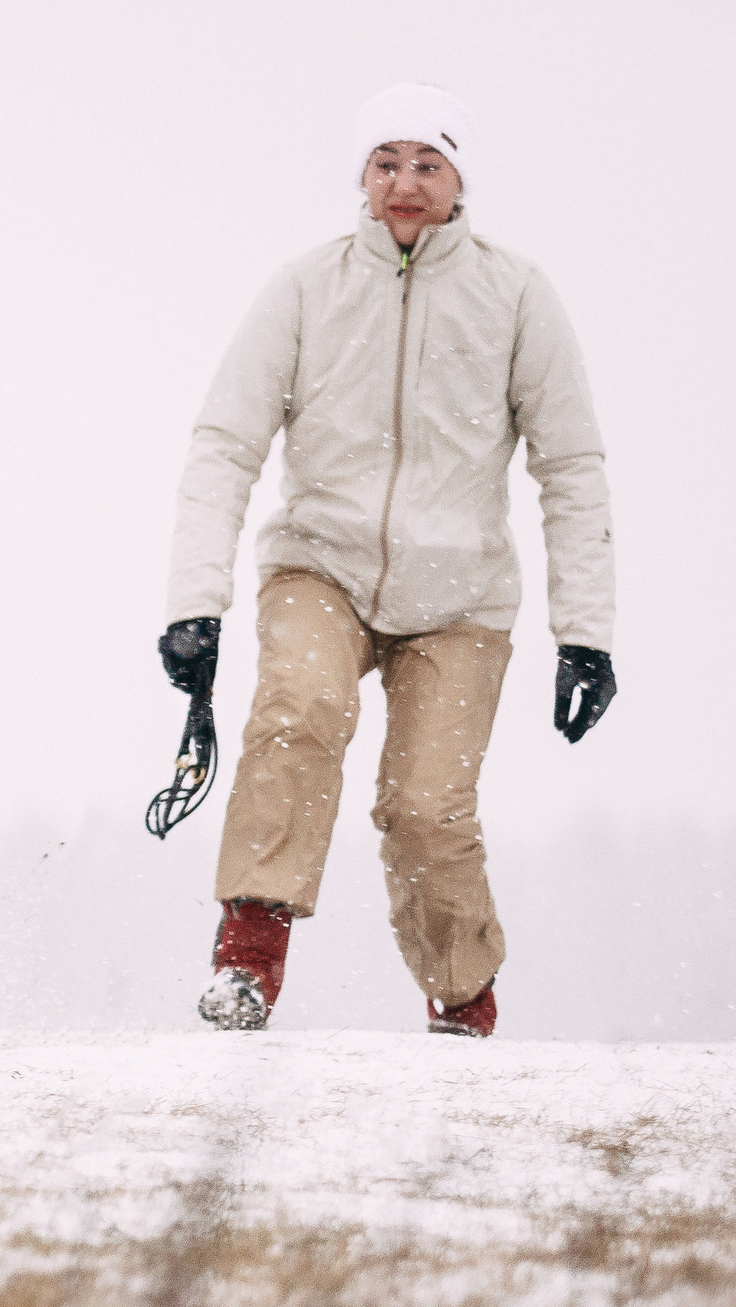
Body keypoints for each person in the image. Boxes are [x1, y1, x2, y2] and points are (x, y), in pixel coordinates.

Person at [160, 83, 617, 1038]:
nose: (404, 182)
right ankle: (247, 960)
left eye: (428, 164)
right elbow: (225, 442)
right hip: (318, 568)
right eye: (385, 161)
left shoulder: (518, 294)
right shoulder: (304, 288)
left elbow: (570, 467)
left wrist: (587, 634)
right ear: (360, 178)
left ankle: (462, 1003)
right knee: (300, 711)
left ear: (460, 182)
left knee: (425, 808)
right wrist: (193, 602)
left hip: (460, 599)